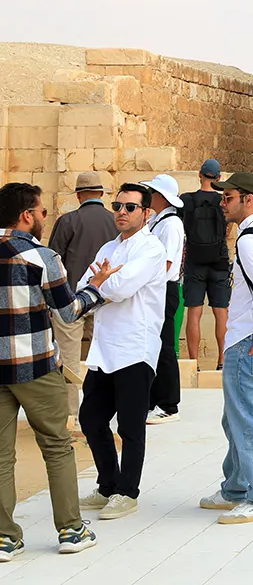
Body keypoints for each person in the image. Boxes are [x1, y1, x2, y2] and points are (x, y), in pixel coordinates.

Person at [0, 183, 108, 558]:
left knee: (1, 455)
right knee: (57, 448)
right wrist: (94, 289)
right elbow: (66, 312)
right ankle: (70, 530)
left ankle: (5, 537)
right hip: (36, 368)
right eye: (43, 211)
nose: (45, 218)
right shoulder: (42, 257)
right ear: (27, 215)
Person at [77, 183, 168, 521]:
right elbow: (80, 290)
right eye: (118, 206)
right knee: (91, 419)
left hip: (134, 347)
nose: (121, 212)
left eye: (130, 207)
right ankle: (107, 484)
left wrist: (99, 285)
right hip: (104, 350)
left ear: (146, 213)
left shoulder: (152, 249)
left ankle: (127, 491)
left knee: (130, 426)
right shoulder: (107, 248)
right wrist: (100, 285)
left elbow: (120, 287)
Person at [199, 172, 253, 524]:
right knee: (235, 418)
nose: (222, 204)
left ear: (249, 200)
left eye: (228, 197)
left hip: (251, 339)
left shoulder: (250, 240)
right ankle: (236, 486)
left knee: (250, 420)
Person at [47, 172, 117, 427]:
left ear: (79, 195)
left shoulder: (68, 221)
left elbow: (53, 262)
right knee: (104, 360)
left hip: (71, 302)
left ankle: (70, 417)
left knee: (68, 360)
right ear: (101, 194)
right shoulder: (115, 222)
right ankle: (102, 414)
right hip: (106, 301)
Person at [142, 174, 185, 425]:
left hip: (163, 288)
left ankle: (169, 405)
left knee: (165, 346)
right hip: (156, 288)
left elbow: (166, 262)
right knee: (155, 345)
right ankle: (153, 400)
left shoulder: (170, 225)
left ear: (161, 197)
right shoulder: (159, 221)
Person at [181, 159, 231, 370]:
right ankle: (222, 360)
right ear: (219, 178)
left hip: (195, 259)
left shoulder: (187, 200)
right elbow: (228, 230)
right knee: (221, 312)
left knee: (194, 312)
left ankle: (194, 363)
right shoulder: (224, 201)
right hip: (219, 260)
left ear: (199, 175)